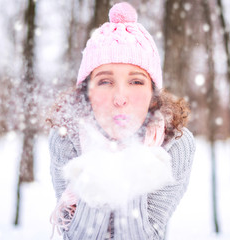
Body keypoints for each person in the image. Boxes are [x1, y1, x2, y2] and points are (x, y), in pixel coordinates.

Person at [47, 2, 195, 239]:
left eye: (136, 82)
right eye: (105, 81)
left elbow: (147, 236)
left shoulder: (174, 142)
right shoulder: (66, 135)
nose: (120, 98)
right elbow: (74, 235)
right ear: (87, 92)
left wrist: (135, 163)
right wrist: (97, 166)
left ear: (153, 94)